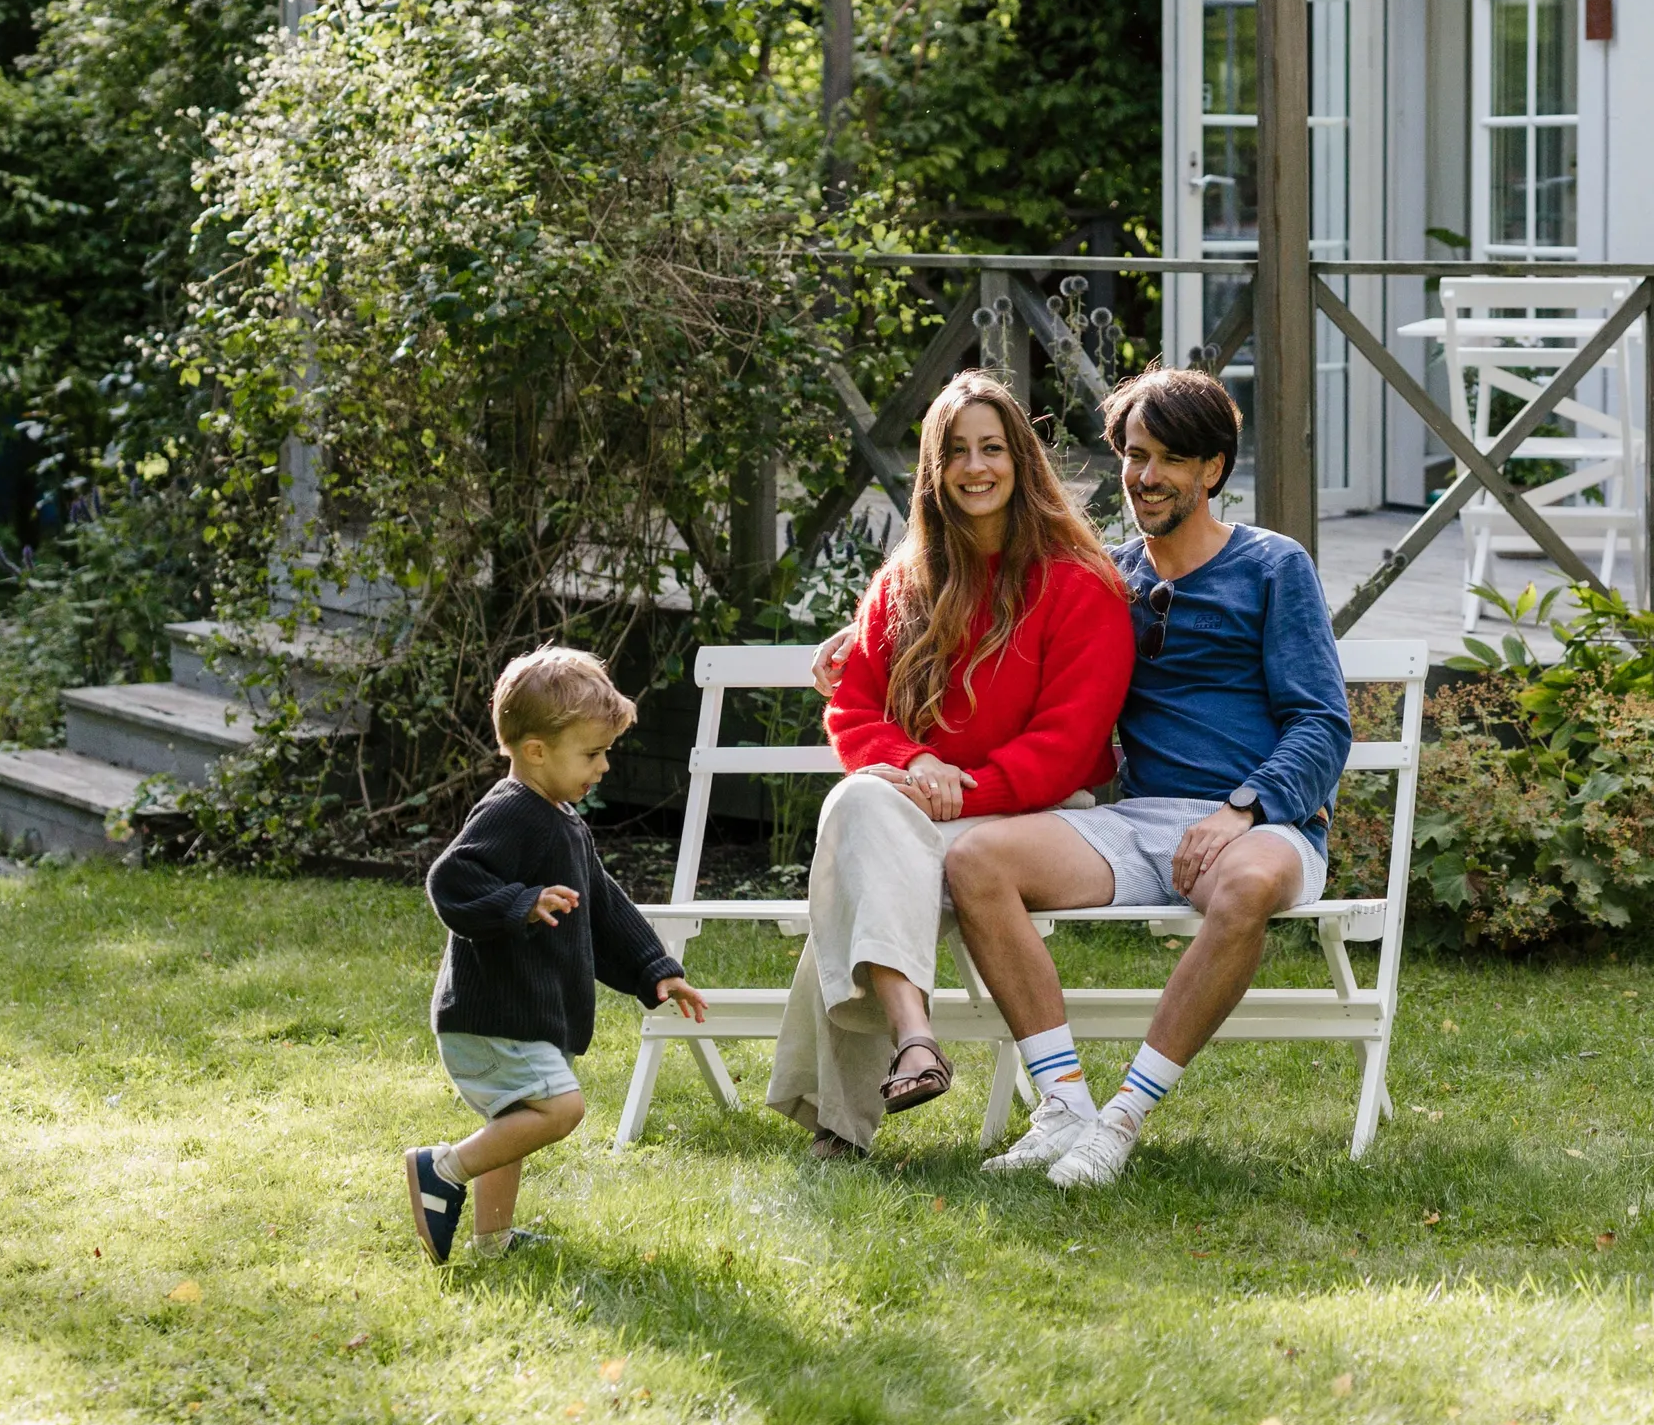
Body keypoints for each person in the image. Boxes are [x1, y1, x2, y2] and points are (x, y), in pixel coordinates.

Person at [936, 367, 1349, 1189]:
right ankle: (1063, 1108)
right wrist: (855, 648)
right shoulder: (1104, 575)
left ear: (1212, 471)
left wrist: (1242, 809)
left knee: (1246, 887)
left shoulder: (1273, 566)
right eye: (1133, 455)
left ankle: (1121, 1120)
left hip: (1261, 823)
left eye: (1167, 460)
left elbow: (1322, 723)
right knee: (976, 862)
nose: (1145, 477)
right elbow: (974, 619)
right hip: (1136, 821)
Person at [773, 372, 1133, 1160]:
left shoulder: (1079, 584)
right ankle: (914, 1039)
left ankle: (843, 1123)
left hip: (1032, 819)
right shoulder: (905, 582)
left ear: (1022, 461)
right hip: (915, 808)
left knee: (859, 854)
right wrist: (913, 765)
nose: (976, 468)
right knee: (861, 807)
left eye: (993, 449)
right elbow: (854, 710)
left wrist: (960, 790)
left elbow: (1071, 740)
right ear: (934, 471)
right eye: (957, 452)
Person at [408, 647, 709, 1264]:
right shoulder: (513, 811)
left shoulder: (560, 817)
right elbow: (451, 880)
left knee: (515, 1124)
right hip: (493, 1018)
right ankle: (441, 1168)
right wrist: (519, 902)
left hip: (524, 1016)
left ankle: (493, 1243)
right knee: (558, 1108)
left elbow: (603, 907)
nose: (602, 767)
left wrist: (656, 970)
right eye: (592, 753)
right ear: (537, 750)